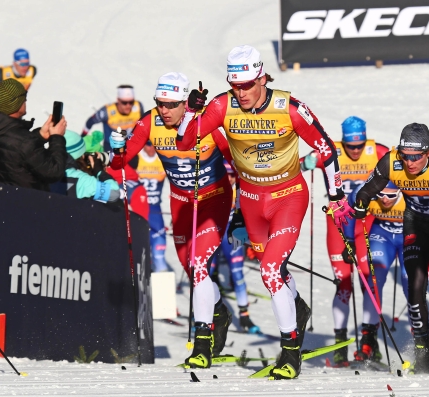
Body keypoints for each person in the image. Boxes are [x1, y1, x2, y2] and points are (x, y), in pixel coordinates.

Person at [176, 45, 352, 379]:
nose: (240, 92)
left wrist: (337, 196)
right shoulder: (222, 105)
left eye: (246, 85)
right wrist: (189, 112)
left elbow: (326, 148)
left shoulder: (290, 107)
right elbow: (185, 143)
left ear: (261, 78)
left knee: (269, 271)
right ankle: (297, 307)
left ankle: (289, 353)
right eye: (234, 85)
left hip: (288, 196)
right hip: (252, 200)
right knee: (277, 273)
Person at [110, 72, 234, 369]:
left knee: (201, 266)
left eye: (170, 104)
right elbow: (120, 163)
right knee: (192, 268)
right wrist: (117, 149)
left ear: (184, 103)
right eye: (159, 103)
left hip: (213, 198)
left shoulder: (204, 121)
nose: (163, 110)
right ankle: (219, 310)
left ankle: (202, 343)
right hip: (180, 202)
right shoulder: (150, 122)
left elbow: (236, 159)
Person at [354, 123, 429, 375]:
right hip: (415, 223)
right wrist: (361, 203)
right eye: (406, 156)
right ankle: (423, 353)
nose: (410, 162)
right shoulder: (391, 162)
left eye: (416, 157)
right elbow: (366, 190)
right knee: (415, 282)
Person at [300, 116, 389, 365]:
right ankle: (340, 344)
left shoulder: (377, 151)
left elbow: (399, 168)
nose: (356, 151)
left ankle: (369, 340)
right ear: (343, 142)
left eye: (359, 146)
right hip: (337, 227)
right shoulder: (331, 151)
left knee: (369, 282)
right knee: (343, 285)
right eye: (351, 147)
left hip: (366, 226)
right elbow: (297, 165)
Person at [344, 181, 408, 365]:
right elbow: (349, 210)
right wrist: (350, 242)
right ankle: (368, 339)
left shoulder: (410, 192)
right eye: (381, 195)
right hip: (382, 234)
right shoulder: (366, 190)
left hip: (408, 236)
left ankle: (422, 339)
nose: (385, 199)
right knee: (373, 279)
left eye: (391, 196)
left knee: (410, 283)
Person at [0, 79, 66, 191]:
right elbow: (53, 172)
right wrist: (57, 138)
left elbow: (11, 148)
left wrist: (39, 136)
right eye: (24, 98)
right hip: (24, 204)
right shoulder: (25, 142)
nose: (26, 100)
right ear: (16, 104)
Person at [209, 160, 260, 333]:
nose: (229, 179)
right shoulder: (211, 187)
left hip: (230, 237)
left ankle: (244, 316)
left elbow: (252, 215)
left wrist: (253, 242)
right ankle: (203, 317)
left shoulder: (240, 191)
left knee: (238, 275)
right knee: (206, 275)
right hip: (212, 235)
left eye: (232, 175)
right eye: (226, 174)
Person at [51, 130, 120, 203]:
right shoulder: (83, 181)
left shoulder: (43, 171)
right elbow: (114, 193)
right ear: (79, 155)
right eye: (84, 154)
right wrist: (99, 171)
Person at [136, 141, 170, 272]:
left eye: (153, 145)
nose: (151, 148)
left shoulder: (163, 158)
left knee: (159, 245)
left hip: (155, 209)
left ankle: (160, 270)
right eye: (148, 145)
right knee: (138, 244)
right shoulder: (136, 157)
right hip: (138, 209)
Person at [82, 85, 144, 151]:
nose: (128, 106)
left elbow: (144, 124)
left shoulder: (138, 106)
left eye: (131, 102)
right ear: (118, 100)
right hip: (111, 146)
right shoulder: (107, 111)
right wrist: (82, 138)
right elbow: (90, 122)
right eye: (124, 103)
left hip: (130, 144)